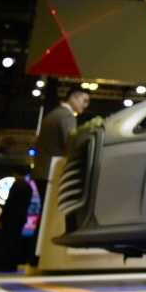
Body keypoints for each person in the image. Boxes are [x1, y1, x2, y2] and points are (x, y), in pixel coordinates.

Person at [33, 86, 89, 215]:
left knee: (44, 213)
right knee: (51, 215)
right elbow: (71, 144)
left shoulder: (54, 114)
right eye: (84, 101)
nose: (86, 105)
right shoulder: (67, 116)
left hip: (41, 171)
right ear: (73, 97)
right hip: (52, 173)